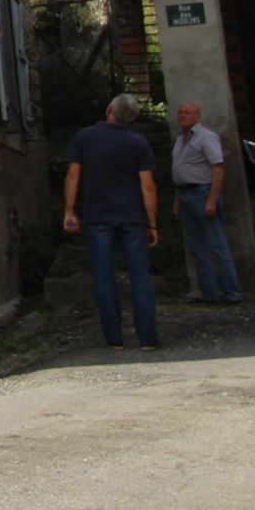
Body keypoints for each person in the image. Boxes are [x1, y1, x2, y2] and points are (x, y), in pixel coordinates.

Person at [64, 94, 161, 350]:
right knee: (140, 276)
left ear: (109, 109)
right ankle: (147, 338)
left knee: (104, 277)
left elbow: (74, 175)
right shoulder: (138, 143)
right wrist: (152, 223)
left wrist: (69, 210)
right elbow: (147, 186)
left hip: (99, 216)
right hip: (132, 216)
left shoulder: (84, 137)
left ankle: (114, 338)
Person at [172, 102, 242, 303]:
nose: (183, 116)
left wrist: (211, 199)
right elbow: (180, 171)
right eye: (181, 112)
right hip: (185, 194)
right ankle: (209, 293)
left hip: (201, 193)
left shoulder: (206, 137)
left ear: (197, 116)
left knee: (217, 243)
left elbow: (218, 168)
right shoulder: (180, 140)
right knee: (198, 247)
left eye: (187, 113)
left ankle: (233, 292)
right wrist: (177, 200)